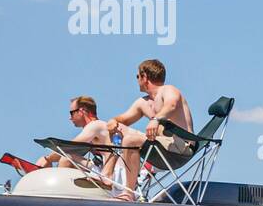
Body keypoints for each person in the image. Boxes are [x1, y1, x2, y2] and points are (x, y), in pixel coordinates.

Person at [104, 59, 195, 198]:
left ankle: (128, 193)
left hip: (180, 147)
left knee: (130, 141)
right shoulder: (144, 103)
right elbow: (124, 119)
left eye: (137, 76)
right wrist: (113, 121)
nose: (137, 80)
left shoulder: (168, 90)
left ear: (144, 77)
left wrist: (156, 119)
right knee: (115, 129)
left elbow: (172, 105)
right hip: (161, 146)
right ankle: (109, 175)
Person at [35, 96, 119, 183]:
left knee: (67, 158)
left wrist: (47, 159)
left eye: (72, 113)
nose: (70, 118)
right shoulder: (93, 129)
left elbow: (68, 147)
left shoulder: (95, 126)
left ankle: (61, 190)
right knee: (69, 158)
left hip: (112, 173)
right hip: (105, 169)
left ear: (81, 111)